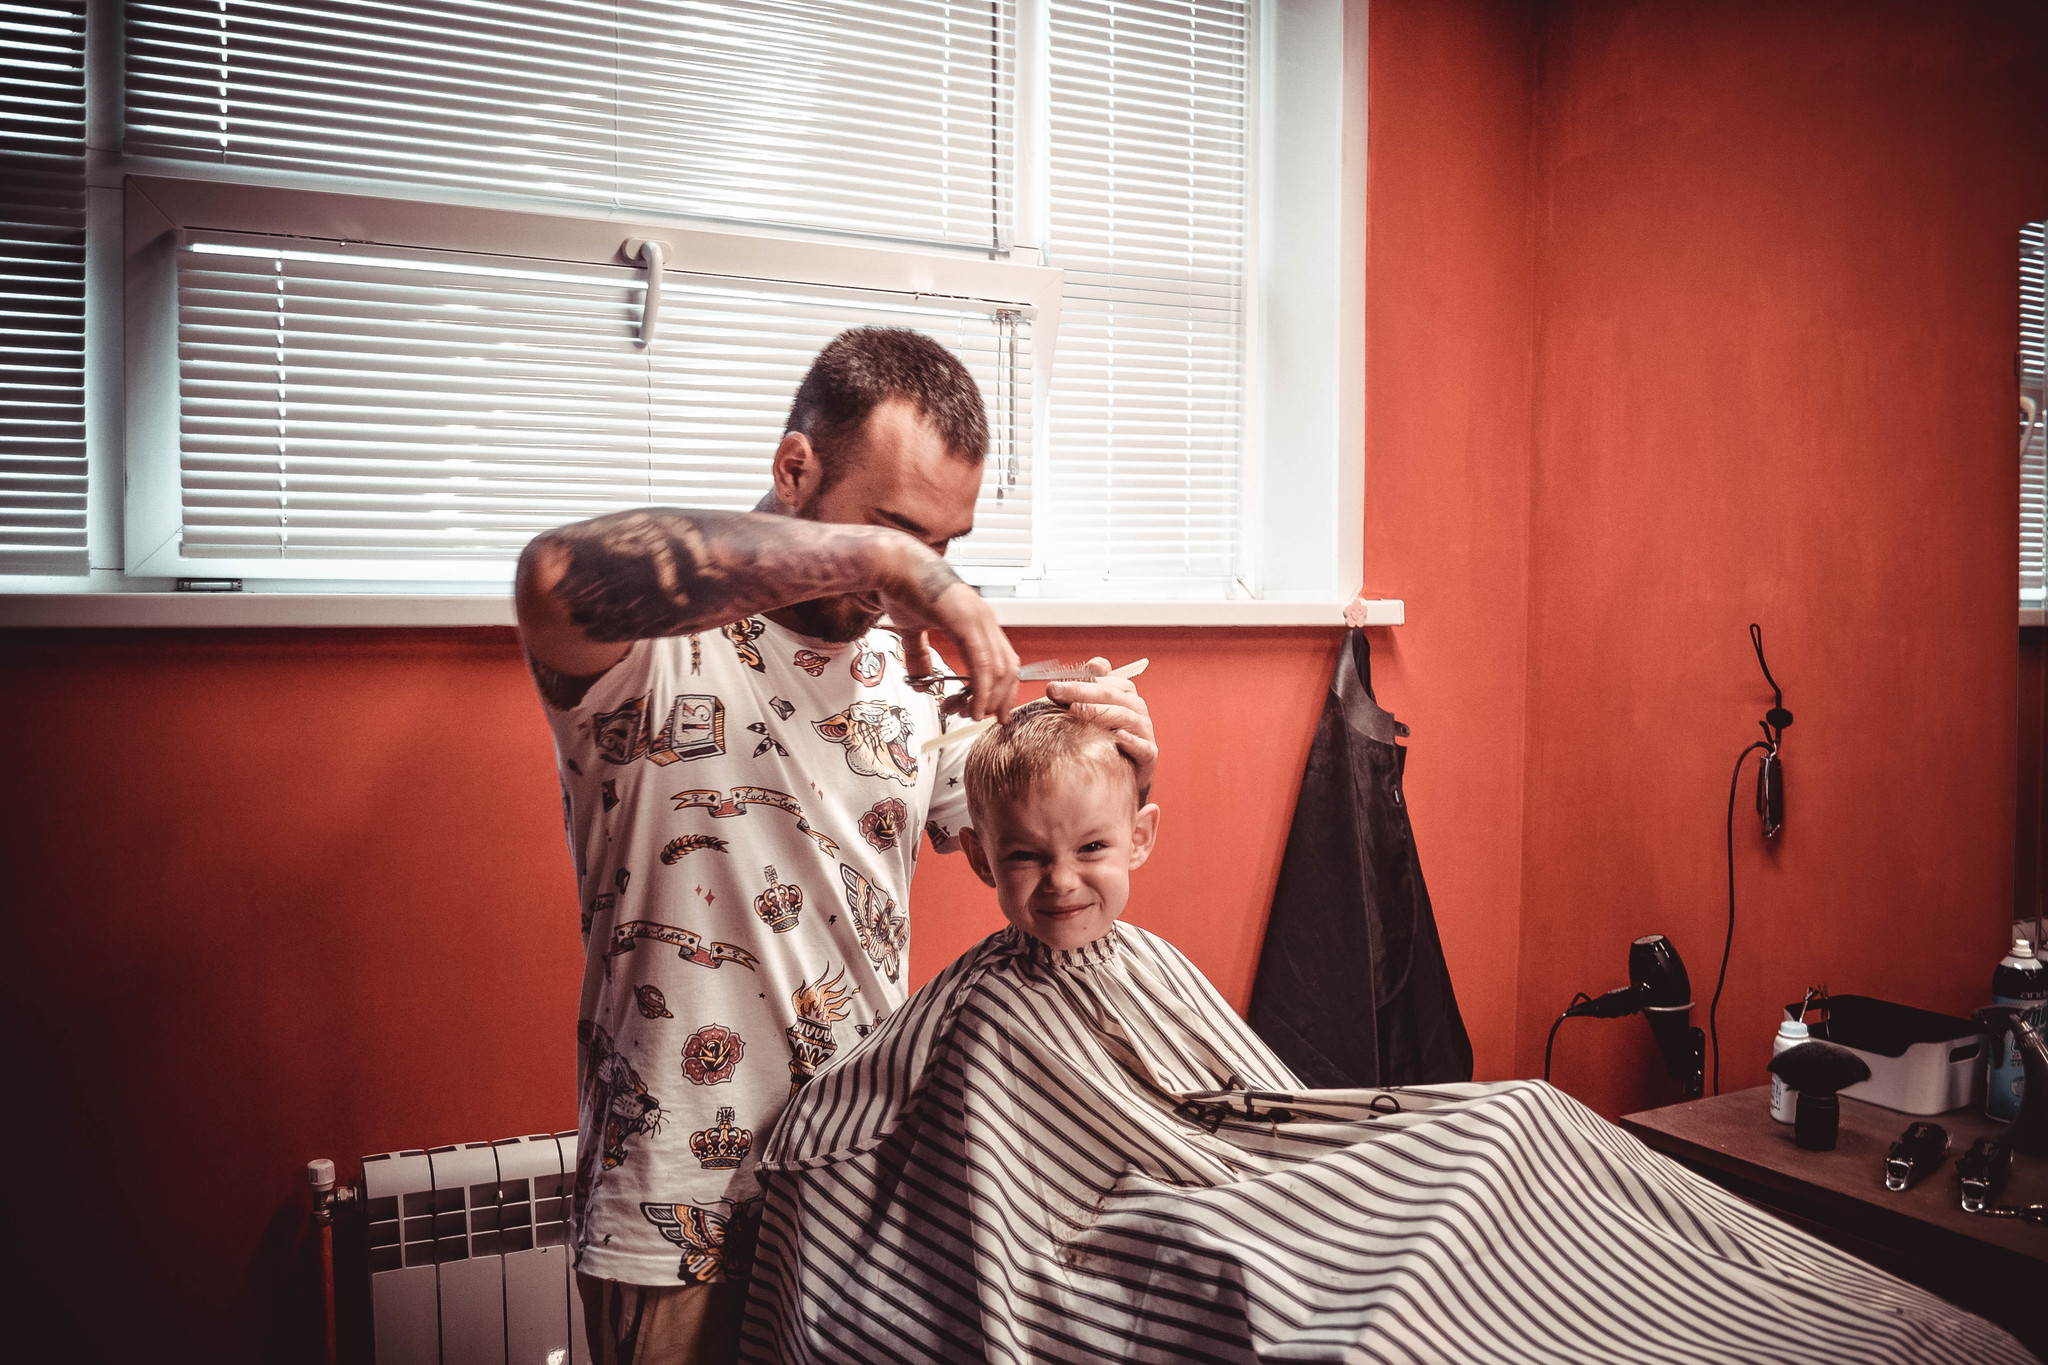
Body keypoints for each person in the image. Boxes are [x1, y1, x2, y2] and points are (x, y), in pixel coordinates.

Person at [740, 705, 2033, 1365]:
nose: (1061, 882)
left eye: (1088, 849)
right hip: (1156, 1217)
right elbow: (865, 1122)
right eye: (1026, 860)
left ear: (1140, 839)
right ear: (986, 864)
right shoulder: (976, 1004)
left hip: (1273, 1168)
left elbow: (1258, 1110)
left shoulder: (1150, 962)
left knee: (1514, 1114)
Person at [514, 328, 1157, 1365]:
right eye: (894, 533)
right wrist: (881, 561)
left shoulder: (907, 679)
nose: (912, 580)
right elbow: (553, 575)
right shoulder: (650, 656)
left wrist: (1124, 767)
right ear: (792, 468)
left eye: (941, 550)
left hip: (858, 1182)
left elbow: (1036, 862)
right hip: (679, 1211)